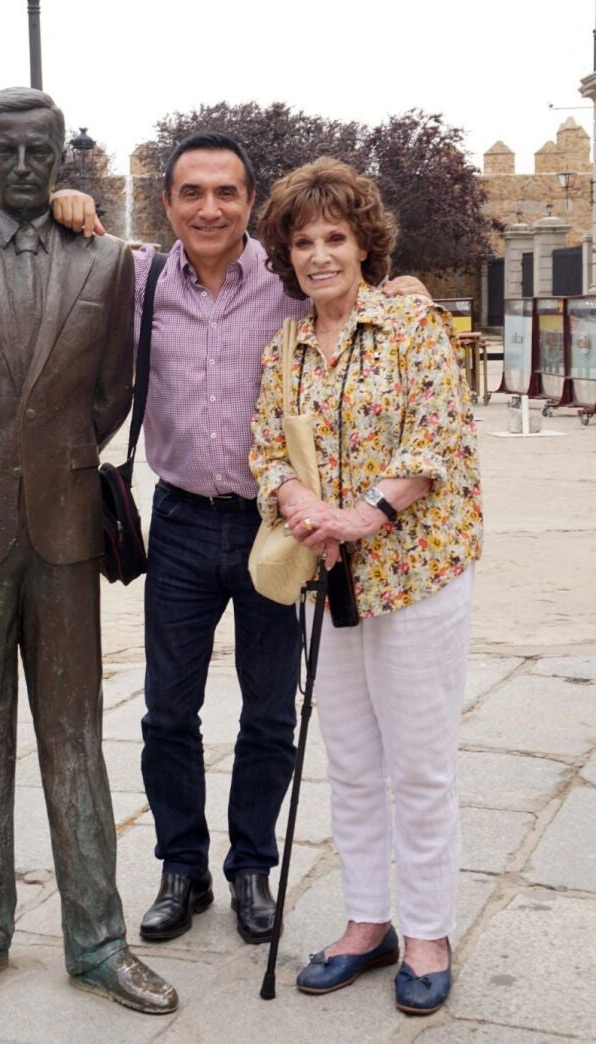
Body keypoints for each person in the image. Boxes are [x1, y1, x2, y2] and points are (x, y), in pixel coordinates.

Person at [52, 136, 427, 947]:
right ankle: (180, 869)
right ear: (167, 203)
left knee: (269, 712)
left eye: (226, 192)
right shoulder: (139, 278)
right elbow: (64, 250)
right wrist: (65, 205)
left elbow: (357, 295)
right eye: (191, 192)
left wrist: (403, 289)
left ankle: (252, 867)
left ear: (250, 202)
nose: (209, 208)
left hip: (275, 525)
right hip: (181, 521)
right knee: (166, 712)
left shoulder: (289, 283)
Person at [0, 87, 177, 1016]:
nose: (21, 166)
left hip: (63, 528)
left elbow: (111, 393)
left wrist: (49, 460)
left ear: (60, 159)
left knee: (76, 734)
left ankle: (97, 939)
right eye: (4, 150)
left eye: (37, 152)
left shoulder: (106, 262)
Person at [248, 157, 483, 1016]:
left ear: (363, 245)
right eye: (302, 242)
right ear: (286, 256)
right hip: (331, 582)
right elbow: (267, 446)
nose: (319, 255)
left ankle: (427, 933)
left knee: (418, 765)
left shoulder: (413, 325)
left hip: (416, 574)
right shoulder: (285, 349)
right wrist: (298, 501)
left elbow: (437, 440)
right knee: (348, 760)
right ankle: (366, 922)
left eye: (334, 237)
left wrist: (361, 515)